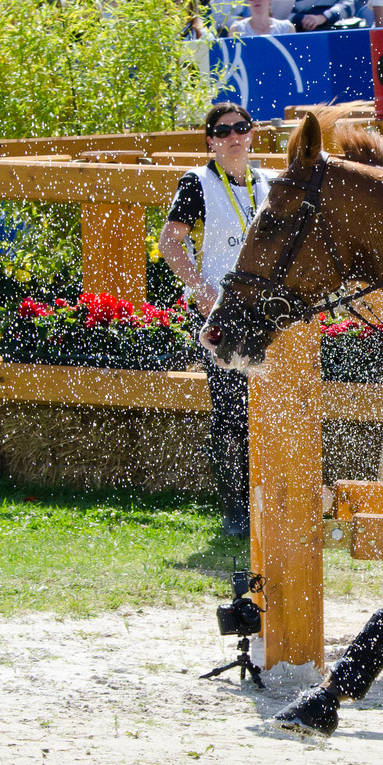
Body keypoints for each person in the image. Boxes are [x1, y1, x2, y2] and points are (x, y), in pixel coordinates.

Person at [159, 103, 273, 540]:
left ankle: (277, 498)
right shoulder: (198, 182)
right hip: (221, 315)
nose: (233, 137)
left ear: (252, 133)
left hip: (266, 316)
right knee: (232, 412)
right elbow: (171, 244)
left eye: (241, 128)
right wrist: (201, 290)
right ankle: (236, 510)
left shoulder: (269, 182)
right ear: (210, 140)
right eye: (222, 131)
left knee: (275, 407)